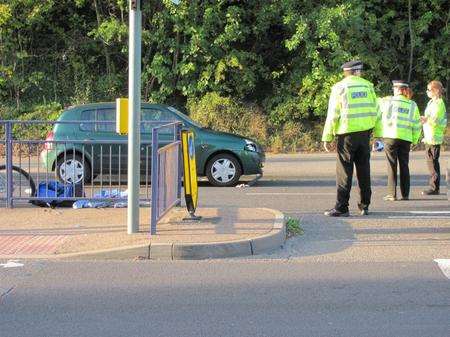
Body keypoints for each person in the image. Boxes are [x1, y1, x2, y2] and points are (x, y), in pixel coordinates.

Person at [322, 60, 379, 216]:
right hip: (365, 134)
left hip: (346, 135)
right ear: (358, 72)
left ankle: (342, 207)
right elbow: (376, 111)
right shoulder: (368, 86)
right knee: (364, 169)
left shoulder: (340, 87)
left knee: (344, 172)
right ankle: (365, 205)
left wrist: (327, 136)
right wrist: (377, 135)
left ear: (345, 72)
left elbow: (333, 114)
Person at [373, 81, 421, 201]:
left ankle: (392, 194)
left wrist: (378, 135)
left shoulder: (388, 102)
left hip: (390, 137)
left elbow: (378, 115)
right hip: (406, 138)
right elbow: (417, 124)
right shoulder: (412, 105)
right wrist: (414, 139)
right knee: (404, 165)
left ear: (397, 90)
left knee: (391, 164)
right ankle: (405, 194)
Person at [420, 80, 447, 195]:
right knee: (431, 163)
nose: (427, 92)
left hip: (434, 137)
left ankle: (434, 187)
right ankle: (434, 186)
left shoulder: (438, 104)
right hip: (430, 137)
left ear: (435, 91)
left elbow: (435, 119)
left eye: (429, 90)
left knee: (433, 163)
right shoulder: (432, 102)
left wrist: (426, 119)